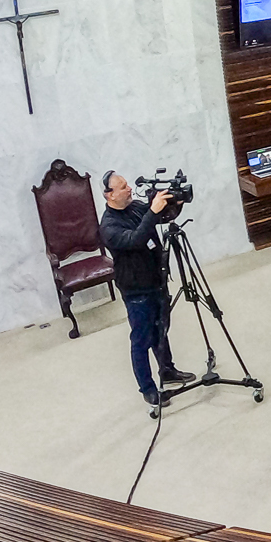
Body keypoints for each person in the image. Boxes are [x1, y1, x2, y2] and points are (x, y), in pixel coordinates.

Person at [100, 173, 194, 405]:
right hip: (136, 289)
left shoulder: (136, 207)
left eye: (128, 184)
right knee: (141, 339)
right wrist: (152, 211)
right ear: (109, 195)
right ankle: (147, 388)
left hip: (156, 279)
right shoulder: (109, 226)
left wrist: (175, 204)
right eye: (123, 187)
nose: (130, 189)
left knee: (160, 328)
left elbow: (161, 218)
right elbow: (135, 239)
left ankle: (167, 369)